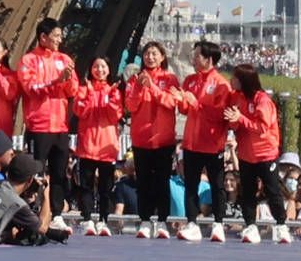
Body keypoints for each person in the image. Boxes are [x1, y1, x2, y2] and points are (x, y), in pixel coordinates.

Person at [12, 21, 77, 202]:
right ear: (43, 37)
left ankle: (55, 214)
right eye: (56, 35)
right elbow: (30, 88)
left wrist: (67, 79)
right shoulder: (28, 60)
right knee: (35, 172)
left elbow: (73, 91)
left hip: (60, 126)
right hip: (38, 126)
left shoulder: (65, 60)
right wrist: (56, 81)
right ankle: (33, 208)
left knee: (59, 173)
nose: (60, 39)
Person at [125, 41, 185, 224]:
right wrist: (139, 87)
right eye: (147, 54)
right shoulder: (135, 80)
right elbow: (130, 106)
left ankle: (162, 220)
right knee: (143, 183)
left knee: (162, 182)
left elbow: (170, 103)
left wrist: (153, 87)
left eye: (154, 54)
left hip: (163, 140)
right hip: (141, 139)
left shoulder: (170, 79)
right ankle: (144, 220)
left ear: (162, 57)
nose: (150, 57)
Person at [225, 61, 286, 233]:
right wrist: (234, 121)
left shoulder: (262, 100)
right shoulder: (237, 98)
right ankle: (250, 225)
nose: (231, 80)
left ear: (244, 80)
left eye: (235, 78)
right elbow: (235, 125)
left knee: (272, 189)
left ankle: (281, 225)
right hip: (246, 154)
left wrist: (240, 118)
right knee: (247, 192)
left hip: (266, 154)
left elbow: (262, 128)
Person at [177, 43, 236, 221]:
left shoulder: (221, 84)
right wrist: (181, 101)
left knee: (217, 185)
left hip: (212, 144)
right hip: (191, 142)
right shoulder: (190, 80)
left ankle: (218, 222)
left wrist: (196, 103)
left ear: (209, 59)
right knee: (191, 185)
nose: (193, 60)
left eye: (197, 56)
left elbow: (220, 114)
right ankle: (191, 222)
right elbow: (185, 110)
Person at [70, 57, 126, 218]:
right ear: (91, 69)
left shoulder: (113, 90)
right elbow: (80, 112)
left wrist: (111, 96)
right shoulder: (83, 89)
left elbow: (114, 115)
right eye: (96, 66)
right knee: (86, 186)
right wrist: (89, 94)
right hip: (87, 146)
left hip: (106, 147)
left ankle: (103, 220)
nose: (100, 70)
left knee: (105, 188)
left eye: (103, 66)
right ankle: (87, 218)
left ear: (109, 70)